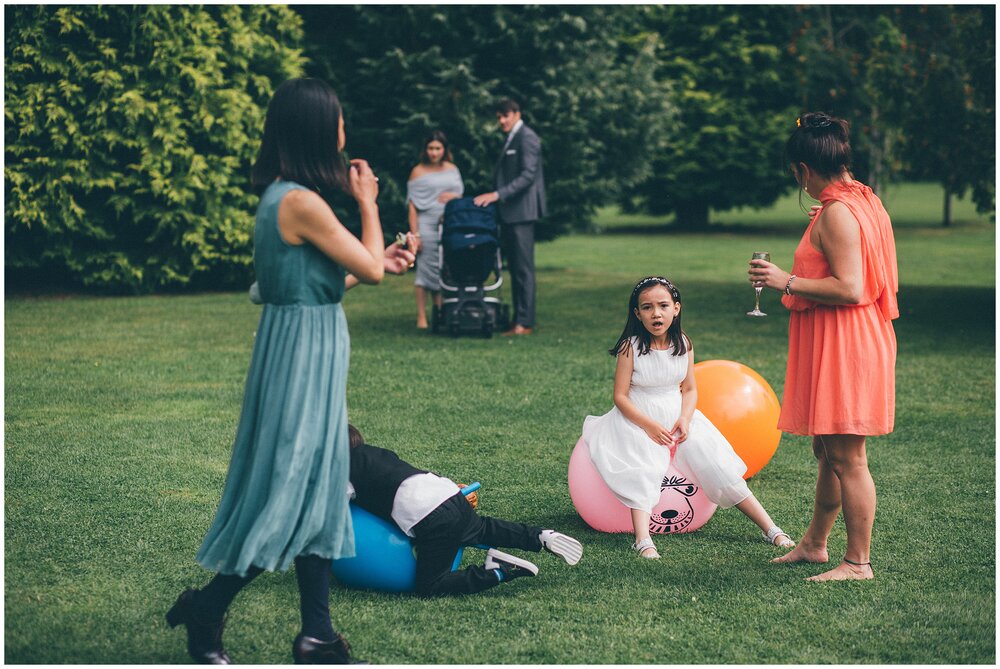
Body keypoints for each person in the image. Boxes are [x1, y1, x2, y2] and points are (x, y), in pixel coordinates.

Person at [166, 78, 413, 665]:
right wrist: (370, 204)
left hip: (302, 349)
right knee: (293, 490)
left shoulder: (284, 195)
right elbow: (370, 273)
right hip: (303, 361)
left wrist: (378, 258)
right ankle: (210, 606)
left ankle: (318, 636)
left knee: (323, 489)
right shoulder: (301, 202)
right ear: (317, 128)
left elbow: (318, 286)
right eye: (337, 118)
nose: (343, 127)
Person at [748, 112, 898, 582]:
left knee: (848, 458)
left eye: (797, 175)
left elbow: (852, 287)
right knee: (827, 450)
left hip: (847, 343)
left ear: (804, 170)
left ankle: (858, 563)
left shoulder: (838, 212)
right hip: (848, 338)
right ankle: (814, 544)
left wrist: (783, 280)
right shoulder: (864, 199)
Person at [582, 277, 796, 559]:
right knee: (643, 466)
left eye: (663, 306)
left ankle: (771, 529)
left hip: (678, 417)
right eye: (647, 308)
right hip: (639, 419)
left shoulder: (683, 343)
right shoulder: (629, 347)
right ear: (637, 314)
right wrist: (648, 426)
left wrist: (685, 418)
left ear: (676, 308)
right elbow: (620, 397)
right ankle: (643, 539)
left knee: (716, 464)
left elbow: (690, 388)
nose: (656, 313)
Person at [346, 424, 583, 596]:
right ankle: (540, 536)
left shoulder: (342, 469)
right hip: (446, 492)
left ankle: (496, 571)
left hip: (430, 516)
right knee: (482, 528)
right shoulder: (378, 454)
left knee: (430, 585)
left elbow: (332, 507)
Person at [473, 98, 546, 336]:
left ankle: (524, 323)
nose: (501, 121)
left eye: (505, 116)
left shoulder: (527, 137)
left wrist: (496, 195)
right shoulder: (514, 136)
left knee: (523, 269)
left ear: (516, 113)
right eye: (499, 117)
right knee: (516, 268)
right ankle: (519, 320)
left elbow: (527, 176)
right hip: (512, 213)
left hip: (522, 212)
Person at [407, 131, 464, 329]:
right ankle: (421, 316)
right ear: (425, 150)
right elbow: (412, 206)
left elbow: (460, 196)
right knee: (424, 270)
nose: (434, 153)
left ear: (444, 150)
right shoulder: (417, 172)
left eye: (438, 148)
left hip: (448, 224)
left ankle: (440, 310)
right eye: (430, 148)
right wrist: (416, 234)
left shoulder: (452, 169)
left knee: (442, 268)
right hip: (426, 224)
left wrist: (453, 197)